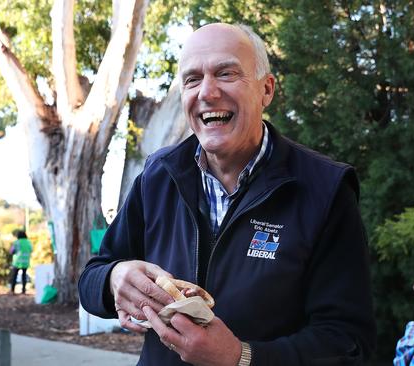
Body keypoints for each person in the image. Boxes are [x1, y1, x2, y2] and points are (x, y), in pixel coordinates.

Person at [78, 23, 376, 365]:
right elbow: (91, 277)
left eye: (226, 73)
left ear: (266, 90)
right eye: (192, 79)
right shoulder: (158, 176)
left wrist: (241, 357)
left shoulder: (325, 189)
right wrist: (114, 278)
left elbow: (348, 341)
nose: (207, 92)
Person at [9, 230, 33, 295]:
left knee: (14, 276)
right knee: (24, 276)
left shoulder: (17, 242)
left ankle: (12, 290)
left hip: (17, 262)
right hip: (26, 261)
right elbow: (31, 250)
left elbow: (11, 251)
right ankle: (23, 290)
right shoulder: (28, 242)